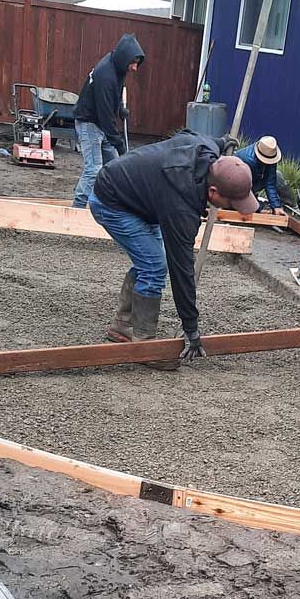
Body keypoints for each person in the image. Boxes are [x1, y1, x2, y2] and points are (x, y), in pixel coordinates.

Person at [89, 131, 258, 368]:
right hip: (113, 201)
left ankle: (123, 326)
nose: (234, 208)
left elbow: (193, 135)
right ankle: (144, 346)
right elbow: (182, 270)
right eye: (231, 203)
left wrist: (223, 142)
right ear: (213, 192)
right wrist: (191, 327)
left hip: (142, 196)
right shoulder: (181, 207)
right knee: (154, 267)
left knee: (149, 261)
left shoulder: (207, 149)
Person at [71, 34, 145, 208]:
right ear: (125, 58)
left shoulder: (118, 66)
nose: (135, 68)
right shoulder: (105, 74)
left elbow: (115, 93)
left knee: (114, 167)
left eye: (137, 63)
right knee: (94, 169)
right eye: (133, 63)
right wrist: (119, 144)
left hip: (101, 124)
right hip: (89, 123)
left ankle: (108, 206)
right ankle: (77, 208)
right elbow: (105, 115)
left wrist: (120, 108)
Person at [235, 135, 285, 213]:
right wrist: (258, 208)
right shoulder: (247, 160)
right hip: (237, 187)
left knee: (278, 175)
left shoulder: (270, 154)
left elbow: (270, 182)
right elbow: (243, 187)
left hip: (253, 182)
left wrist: (276, 206)